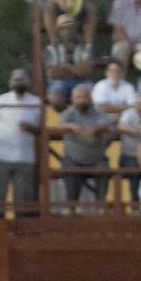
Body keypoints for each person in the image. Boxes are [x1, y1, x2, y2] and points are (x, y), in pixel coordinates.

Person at [0, 69, 41, 219]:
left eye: (22, 79)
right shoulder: (0, 101)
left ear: (27, 82)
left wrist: (29, 127)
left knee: (23, 201)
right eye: (16, 80)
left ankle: (21, 237)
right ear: (10, 82)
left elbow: (41, 130)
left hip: (25, 158)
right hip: (1, 156)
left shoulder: (36, 103)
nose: (19, 82)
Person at [58, 84, 113, 214]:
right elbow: (60, 126)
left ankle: (100, 204)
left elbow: (106, 124)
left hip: (96, 158)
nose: (82, 100)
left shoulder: (99, 112)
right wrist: (72, 127)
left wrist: (95, 129)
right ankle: (71, 206)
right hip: (73, 158)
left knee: (104, 168)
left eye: (85, 97)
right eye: (79, 97)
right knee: (70, 169)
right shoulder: (67, 113)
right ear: (72, 99)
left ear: (91, 98)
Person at [39, 0, 97, 65]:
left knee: (91, 7)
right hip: (59, 8)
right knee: (48, 6)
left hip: (79, 7)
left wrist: (74, 2)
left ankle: (88, 47)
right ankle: (54, 46)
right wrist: (60, 0)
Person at [45, 14, 94, 103]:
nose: (68, 31)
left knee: (92, 94)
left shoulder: (85, 47)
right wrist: (77, 69)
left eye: (71, 28)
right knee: (55, 97)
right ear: (59, 31)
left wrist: (67, 67)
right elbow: (51, 73)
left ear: (75, 29)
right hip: (59, 82)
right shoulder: (51, 49)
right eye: (64, 28)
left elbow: (87, 70)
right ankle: (67, 115)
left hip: (82, 81)